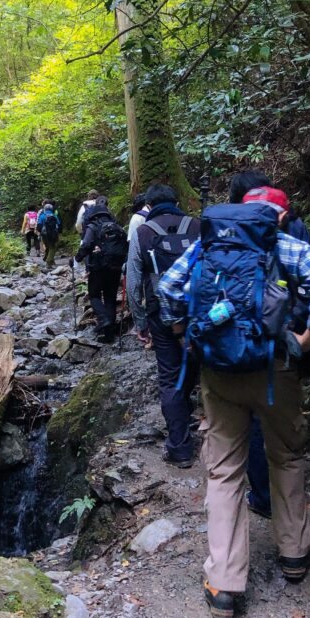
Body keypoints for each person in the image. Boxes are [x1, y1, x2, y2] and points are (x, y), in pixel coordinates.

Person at [158, 192, 310, 618]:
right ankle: (294, 554)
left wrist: (188, 335)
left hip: (219, 372)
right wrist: (306, 341)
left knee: (223, 471)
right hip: (277, 370)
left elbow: (167, 289)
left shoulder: (208, 245)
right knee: (286, 456)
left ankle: (224, 584)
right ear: (277, 215)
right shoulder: (286, 246)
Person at [229, 172, 310, 520]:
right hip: (286, 340)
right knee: (281, 422)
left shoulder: (228, 231)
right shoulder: (295, 229)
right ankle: (291, 521)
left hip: (241, 339)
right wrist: (306, 337)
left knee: (249, 420)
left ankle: (262, 495)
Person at [126, 184, 201, 465]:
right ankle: (188, 413)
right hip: (197, 311)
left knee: (169, 376)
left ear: (149, 204)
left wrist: (140, 322)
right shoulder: (197, 226)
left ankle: (180, 448)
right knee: (193, 365)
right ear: (177, 201)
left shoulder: (143, 232)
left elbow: (133, 280)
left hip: (160, 313)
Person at [74, 196, 127, 342]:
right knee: (110, 297)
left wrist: (77, 258)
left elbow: (86, 245)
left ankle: (104, 319)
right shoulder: (117, 227)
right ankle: (109, 335)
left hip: (99, 267)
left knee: (94, 295)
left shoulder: (93, 226)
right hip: (116, 267)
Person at [37, 200, 61, 267]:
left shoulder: (42, 216)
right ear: (51, 209)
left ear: (45, 208)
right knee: (52, 247)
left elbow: (39, 225)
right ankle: (48, 261)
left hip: (44, 234)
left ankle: (49, 260)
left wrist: (40, 232)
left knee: (47, 247)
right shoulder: (54, 215)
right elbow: (58, 224)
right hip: (53, 234)